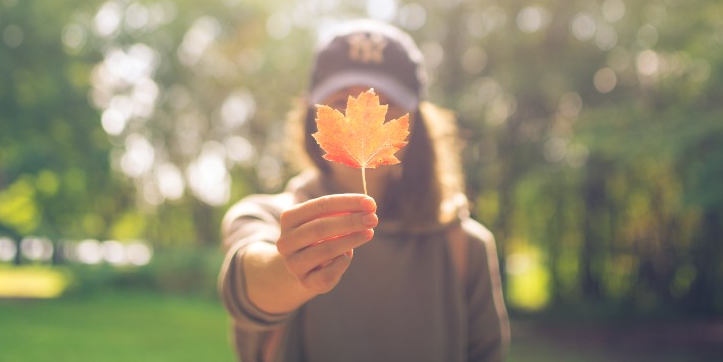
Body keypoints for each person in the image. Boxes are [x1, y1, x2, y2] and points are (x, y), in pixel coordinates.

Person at [218, 18, 511, 362]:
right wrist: (291, 268)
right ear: (311, 113)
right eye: (341, 100)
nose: (361, 110)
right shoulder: (268, 218)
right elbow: (247, 282)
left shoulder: (465, 245)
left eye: (385, 101)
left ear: (416, 122)